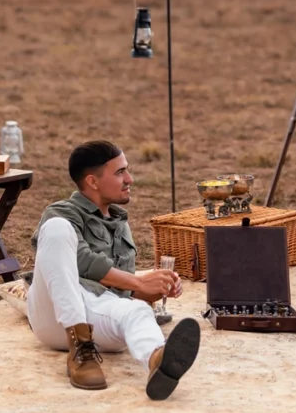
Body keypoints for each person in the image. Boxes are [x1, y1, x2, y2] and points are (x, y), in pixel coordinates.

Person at [27, 140, 201, 398]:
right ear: (92, 182)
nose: (129, 179)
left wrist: (149, 290)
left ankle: (157, 361)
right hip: (53, 314)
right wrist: (139, 282)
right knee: (56, 229)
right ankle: (81, 354)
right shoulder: (61, 212)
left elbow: (118, 292)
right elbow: (81, 260)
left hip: (98, 318)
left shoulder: (120, 224)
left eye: (127, 170)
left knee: (138, 311)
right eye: (120, 172)